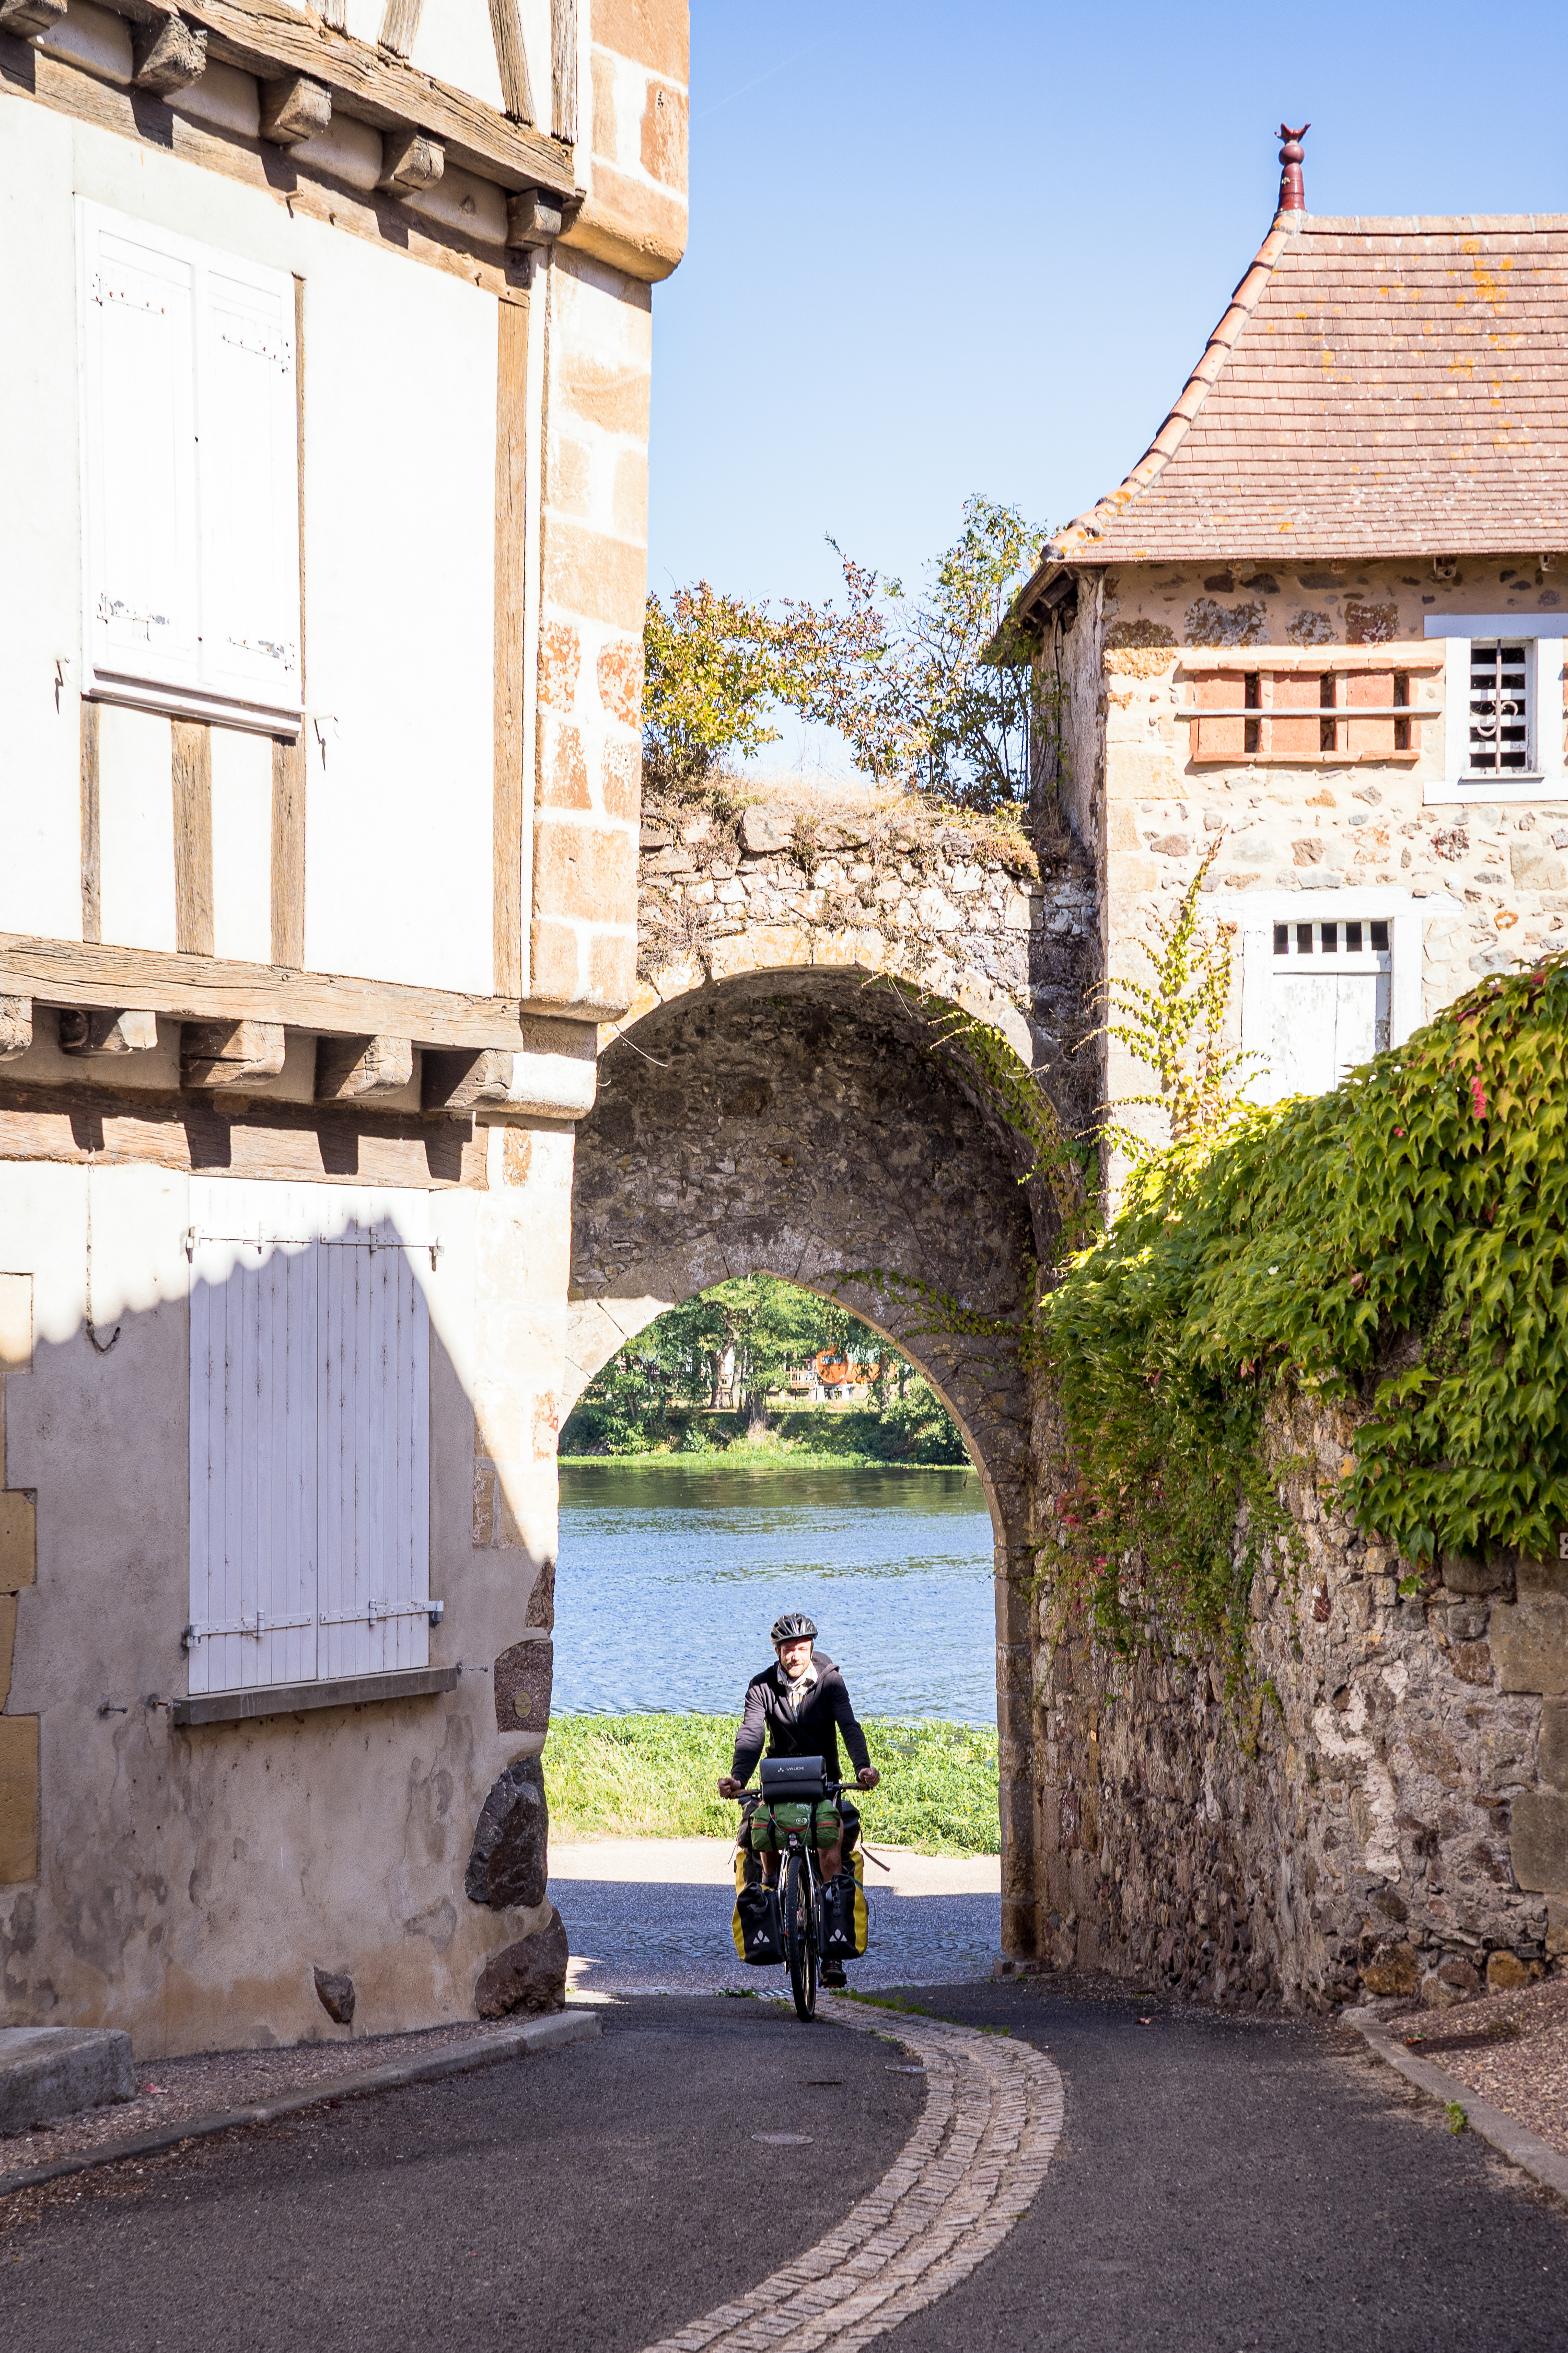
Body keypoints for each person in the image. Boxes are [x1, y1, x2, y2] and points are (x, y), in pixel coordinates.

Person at [717, 1611, 880, 1988]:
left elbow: (849, 1727)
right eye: (788, 1649)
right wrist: (739, 1778)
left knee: (829, 1842)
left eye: (802, 1648)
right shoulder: (761, 1687)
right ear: (777, 1651)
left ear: (811, 1648)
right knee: (762, 1828)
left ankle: (833, 1955)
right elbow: (750, 1735)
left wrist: (863, 1768)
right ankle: (774, 1889)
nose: (795, 1655)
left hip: (823, 1781)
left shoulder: (831, 1683)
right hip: (778, 1782)